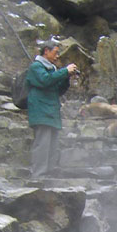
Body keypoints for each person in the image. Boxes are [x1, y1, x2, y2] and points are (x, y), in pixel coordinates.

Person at [25, 40, 77, 182]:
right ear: (46, 51)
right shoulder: (36, 67)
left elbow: (58, 90)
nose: (57, 56)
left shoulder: (52, 69)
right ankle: (38, 175)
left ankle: (49, 172)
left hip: (51, 112)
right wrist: (64, 71)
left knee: (52, 145)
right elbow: (45, 81)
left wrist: (66, 77)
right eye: (55, 52)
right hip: (41, 111)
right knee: (42, 144)